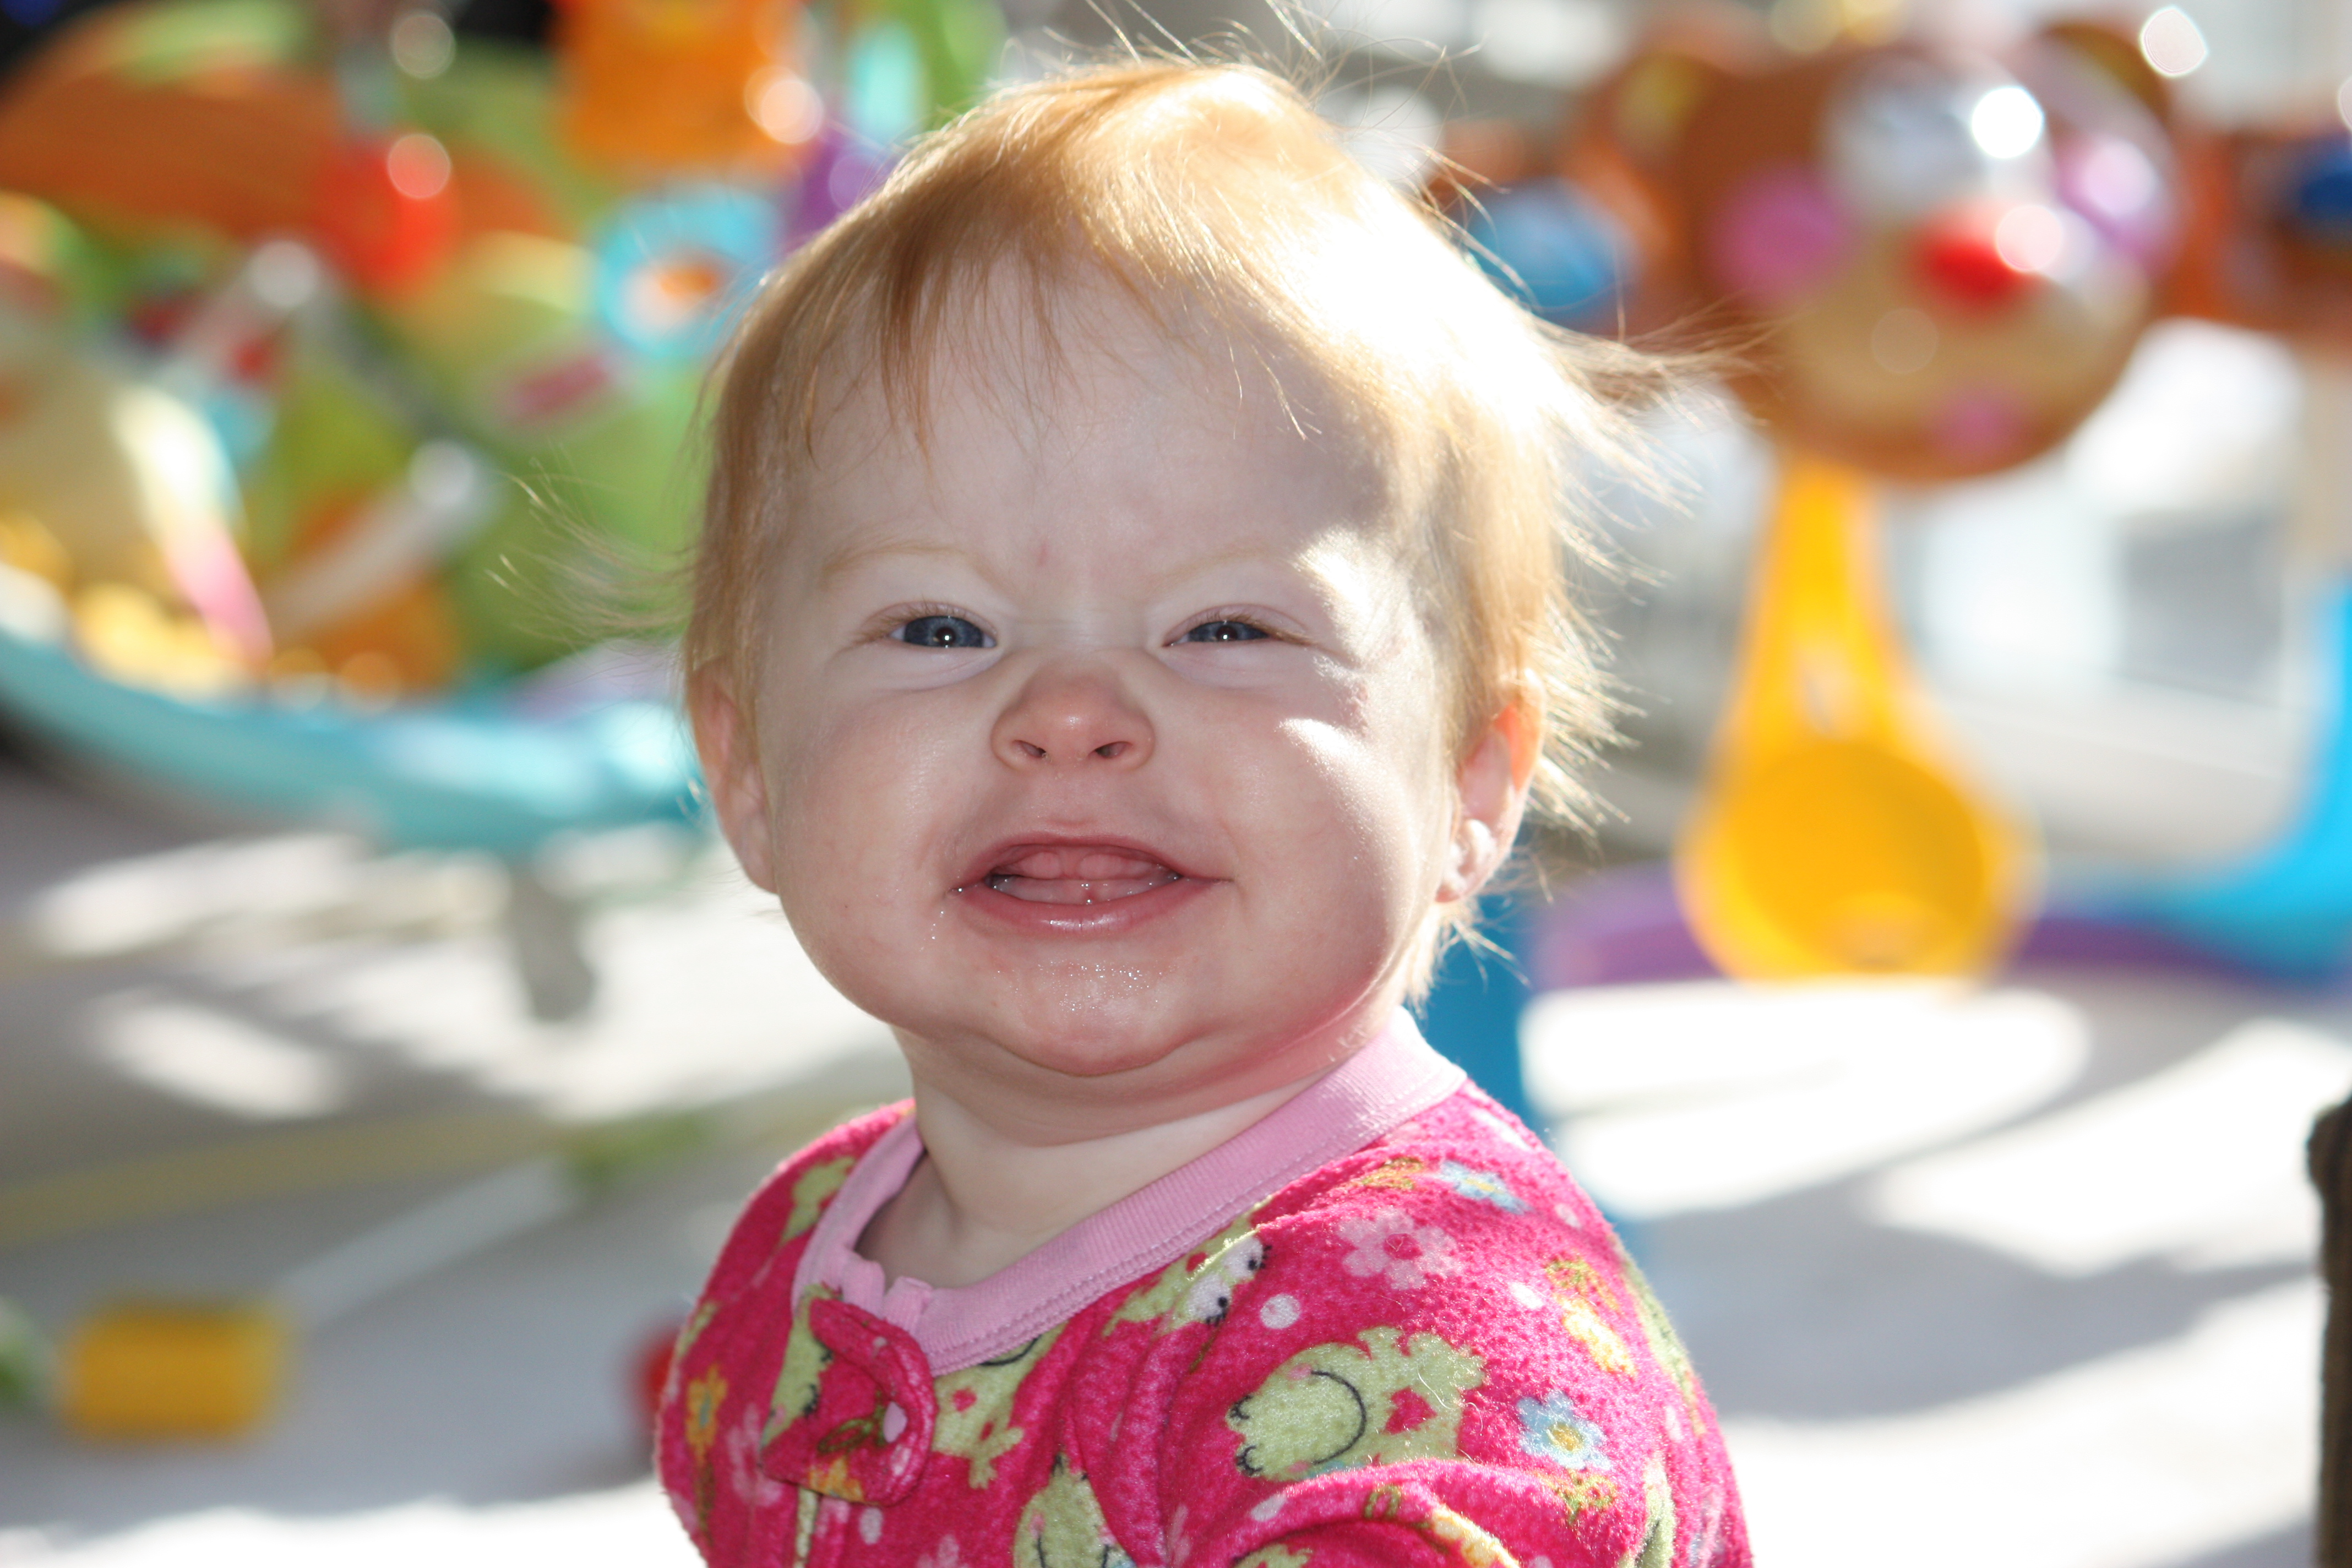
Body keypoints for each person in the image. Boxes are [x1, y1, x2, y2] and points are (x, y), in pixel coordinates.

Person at [660, 55, 1749, 1568]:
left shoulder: (1435, 1365)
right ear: (750, 776)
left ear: (1470, 781)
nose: (1071, 711)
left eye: (1227, 628)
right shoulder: (796, 1261)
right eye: (940, 628)